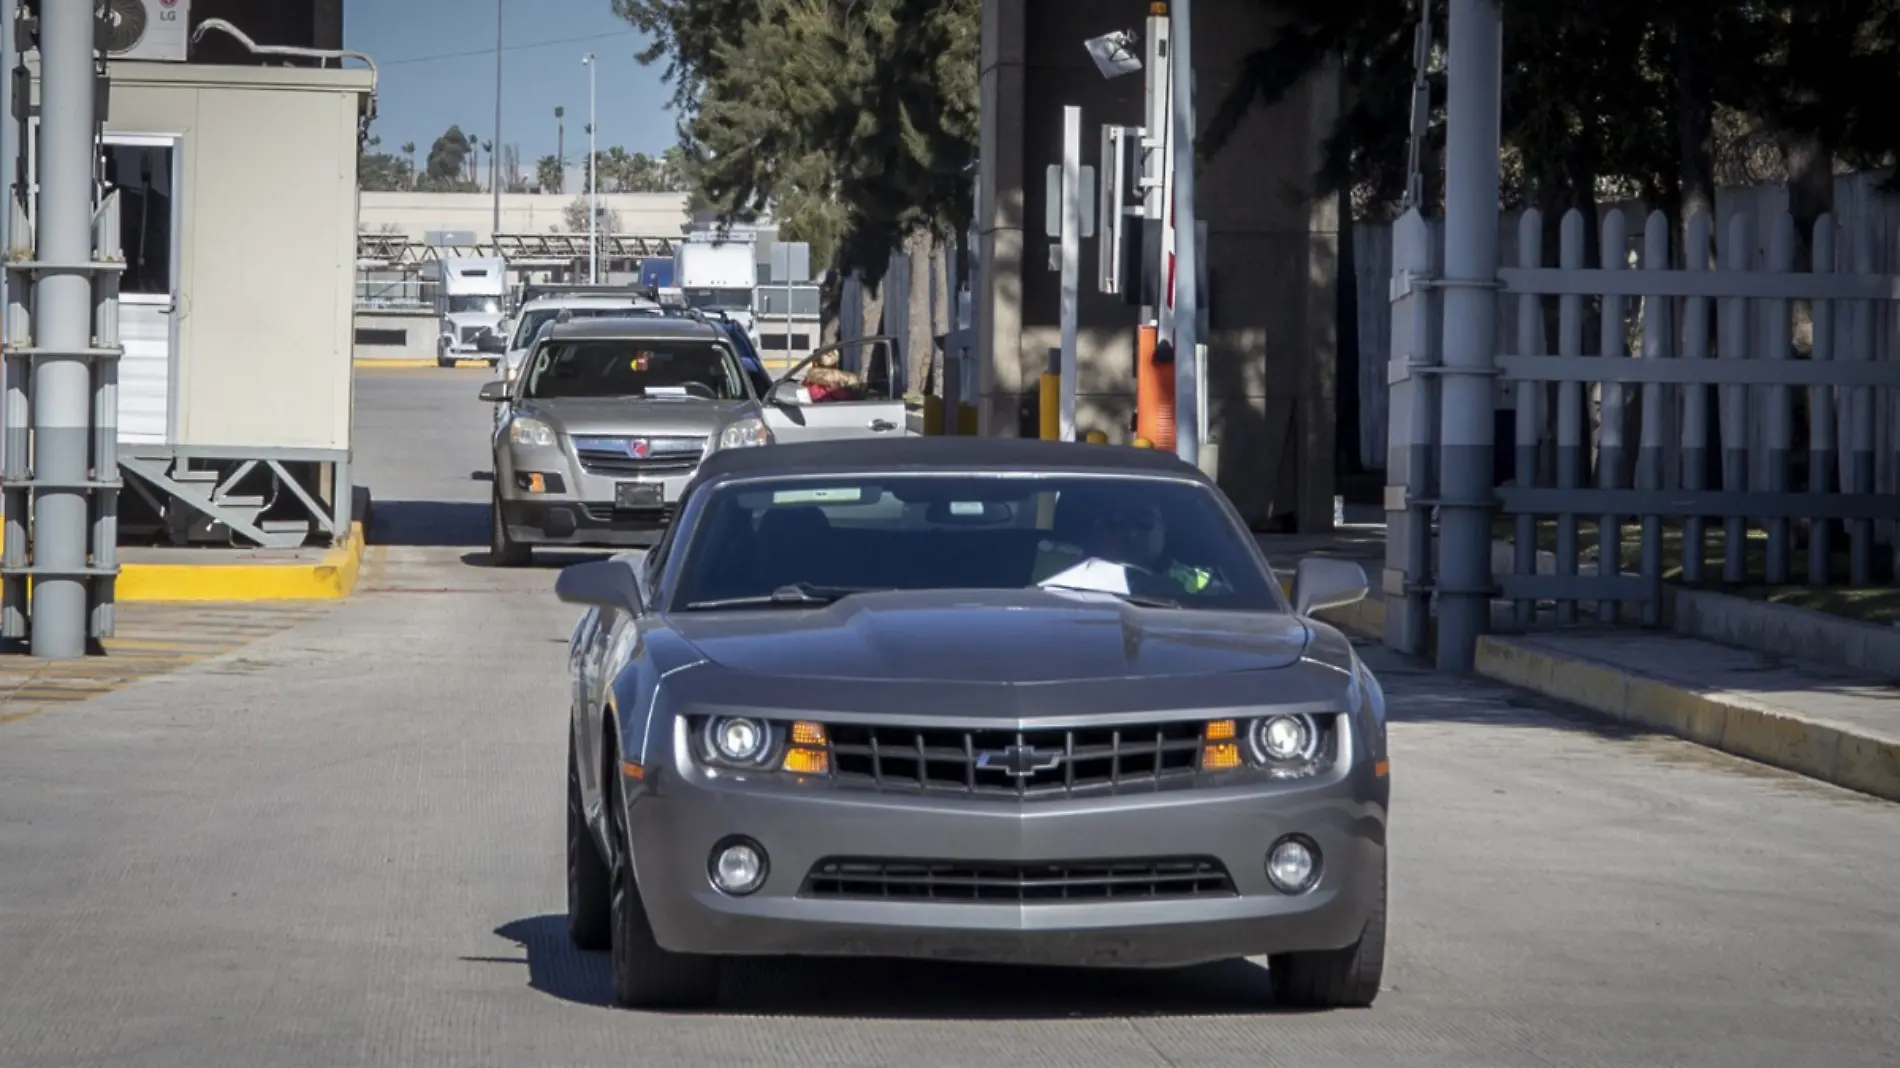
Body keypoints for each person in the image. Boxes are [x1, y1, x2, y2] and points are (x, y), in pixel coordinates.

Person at [1034, 492, 1215, 597]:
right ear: (1094, 530)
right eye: (1115, 522)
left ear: (1164, 530)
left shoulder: (1196, 581)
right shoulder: (1052, 564)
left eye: (1144, 522)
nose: (1131, 533)